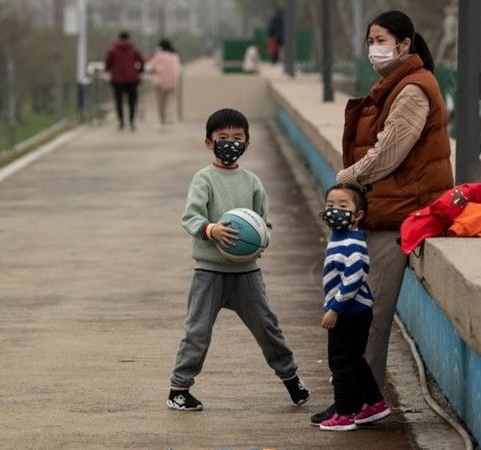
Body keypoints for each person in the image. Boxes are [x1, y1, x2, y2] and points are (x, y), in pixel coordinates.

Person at [326, 10, 454, 417]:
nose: (372, 49)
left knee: (368, 313)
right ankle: (358, 397)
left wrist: (347, 179)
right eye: (369, 41)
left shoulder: (413, 90)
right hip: (388, 208)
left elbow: (388, 153)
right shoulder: (396, 85)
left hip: (401, 213)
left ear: (403, 44)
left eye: (379, 40)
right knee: (362, 309)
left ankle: (363, 401)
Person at [167, 108, 310, 411]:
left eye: (237, 138)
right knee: (197, 332)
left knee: (268, 327)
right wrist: (211, 229)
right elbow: (190, 217)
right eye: (222, 138)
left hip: (247, 273)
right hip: (209, 272)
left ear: (247, 143)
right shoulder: (203, 180)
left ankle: (291, 379)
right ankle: (179, 389)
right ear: (209, 143)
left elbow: (265, 224)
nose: (230, 143)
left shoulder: (252, 182)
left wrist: (261, 241)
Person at [311, 183, 391, 431]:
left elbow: (354, 279)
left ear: (358, 215)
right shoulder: (341, 238)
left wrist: (334, 309)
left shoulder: (353, 245)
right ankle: (374, 404)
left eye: (342, 206)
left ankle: (344, 413)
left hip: (349, 312)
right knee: (354, 360)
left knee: (341, 362)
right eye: (330, 205)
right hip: (352, 310)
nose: (334, 210)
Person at [104, 31, 144, 131]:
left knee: (119, 102)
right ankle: (131, 121)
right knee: (132, 101)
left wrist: (108, 70)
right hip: (132, 79)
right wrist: (139, 71)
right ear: (128, 38)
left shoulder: (113, 50)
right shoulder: (133, 49)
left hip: (117, 80)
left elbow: (107, 63)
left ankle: (121, 122)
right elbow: (142, 61)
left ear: (119, 38)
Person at [146, 39, 181, 129]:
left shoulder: (159, 55)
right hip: (172, 81)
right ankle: (170, 118)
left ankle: (162, 120)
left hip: (160, 82)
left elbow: (149, 67)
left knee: (161, 102)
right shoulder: (175, 55)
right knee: (171, 101)